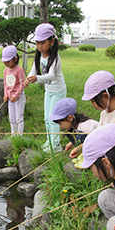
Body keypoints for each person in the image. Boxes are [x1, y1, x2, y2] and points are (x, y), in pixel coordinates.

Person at [70, 70, 115, 158]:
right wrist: (82, 147)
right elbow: (99, 135)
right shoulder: (104, 114)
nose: (92, 104)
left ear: (106, 96)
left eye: (93, 101)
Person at [24, 23, 67, 152]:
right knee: (46, 118)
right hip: (49, 91)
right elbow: (34, 69)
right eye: (37, 43)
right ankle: (49, 141)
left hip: (58, 91)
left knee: (53, 118)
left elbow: (52, 75)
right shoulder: (39, 56)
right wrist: (28, 79)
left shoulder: (55, 57)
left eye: (43, 43)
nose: (39, 46)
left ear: (52, 41)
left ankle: (56, 145)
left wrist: (37, 78)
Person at [1, 45, 26, 135]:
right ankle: (13, 134)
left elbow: (22, 84)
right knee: (12, 118)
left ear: (15, 59)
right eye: (4, 61)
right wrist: (6, 94)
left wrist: (16, 95)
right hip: (10, 97)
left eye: (8, 61)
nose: (6, 63)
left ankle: (20, 136)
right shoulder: (6, 71)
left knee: (19, 117)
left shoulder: (19, 70)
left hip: (18, 97)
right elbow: (5, 84)